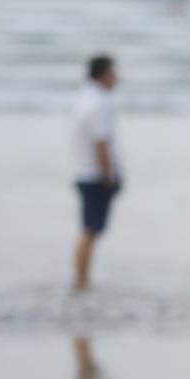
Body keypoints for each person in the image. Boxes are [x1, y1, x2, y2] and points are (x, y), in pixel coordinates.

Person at [72, 54, 123, 291]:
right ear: (103, 74)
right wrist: (108, 173)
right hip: (94, 174)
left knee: (90, 230)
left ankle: (82, 279)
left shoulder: (85, 98)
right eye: (114, 72)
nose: (118, 77)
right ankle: (81, 281)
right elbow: (100, 142)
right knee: (90, 230)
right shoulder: (100, 103)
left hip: (82, 170)